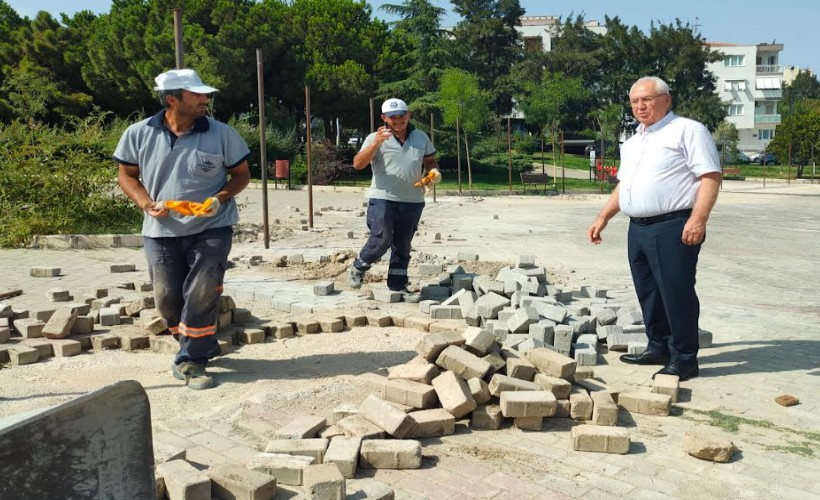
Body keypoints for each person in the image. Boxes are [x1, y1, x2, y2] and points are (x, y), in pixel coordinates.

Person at [114, 69, 251, 390]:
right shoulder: (138, 133)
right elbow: (127, 175)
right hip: (160, 228)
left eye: (205, 94)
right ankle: (197, 340)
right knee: (166, 297)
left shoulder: (222, 134)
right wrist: (146, 203)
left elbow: (241, 175)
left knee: (201, 290)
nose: (206, 99)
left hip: (212, 226)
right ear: (172, 99)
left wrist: (219, 199)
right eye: (197, 95)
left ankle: (192, 360)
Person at [587, 76, 721, 381]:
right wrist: (602, 217)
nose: (640, 106)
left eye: (646, 99)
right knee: (649, 292)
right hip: (638, 228)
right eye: (635, 101)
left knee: (676, 292)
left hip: (673, 225)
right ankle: (658, 345)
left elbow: (710, 177)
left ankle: (685, 358)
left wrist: (698, 219)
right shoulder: (633, 142)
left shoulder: (688, 130)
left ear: (666, 100)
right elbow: (624, 186)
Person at [349, 98, 441, 295]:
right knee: (382, 238)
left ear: (408, 115)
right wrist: (376, 144)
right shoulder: (375, 137)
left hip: (413, 200)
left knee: (403, 244)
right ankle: (359, 266)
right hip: (383, 198)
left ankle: (398, 285)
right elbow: (358, 164)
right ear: (384, 118)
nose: (398, 121)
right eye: (393, 118)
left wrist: (433, 173)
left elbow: (430, 161)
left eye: (402, 116)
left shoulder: (421, 137)